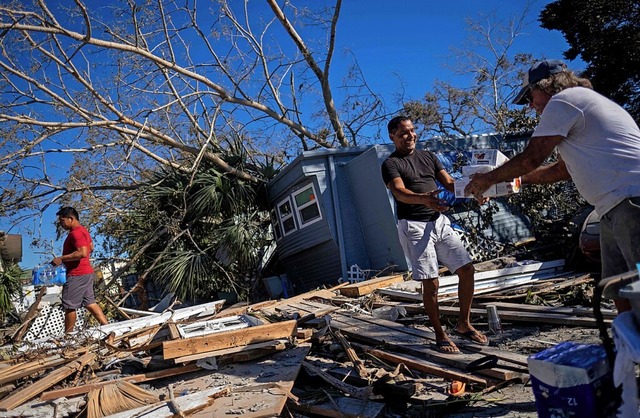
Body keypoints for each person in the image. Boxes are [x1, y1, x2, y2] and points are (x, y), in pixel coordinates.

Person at [465, 59, 640, 312]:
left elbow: (531, 158)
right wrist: (516, 180)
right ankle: (629, 347)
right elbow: (561, 169)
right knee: (618, 287)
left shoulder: (564, 101)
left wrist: (487, 179)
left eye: (529, 96)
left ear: (546, 86)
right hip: (614, 206)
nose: (530, 106)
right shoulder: (583, 103)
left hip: (630, 201)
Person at [381, 116, 488, 354]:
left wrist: (475, 193)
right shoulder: (391, 163)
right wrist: (424, 199)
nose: (410, 136)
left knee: (467, 269)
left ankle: (464, 324)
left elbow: (449, 183)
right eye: (403, 133)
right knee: (431, 284)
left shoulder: (428, 156)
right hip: (414, 227)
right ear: (392, 137)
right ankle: (440, 335)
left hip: (438, 221)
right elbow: (399, 192)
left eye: (412, 130)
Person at [51, 206, 108, 333]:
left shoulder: (76, 233)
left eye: (62, 221)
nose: (61, 224)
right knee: (90, 303)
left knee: (69, 306)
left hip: (77, 274)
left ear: (71, 219)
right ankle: (108, 327)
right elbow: (91, 247)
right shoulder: (83, 231)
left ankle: (68, 336)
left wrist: (62, 258)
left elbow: (82, 252)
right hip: (86, 272)